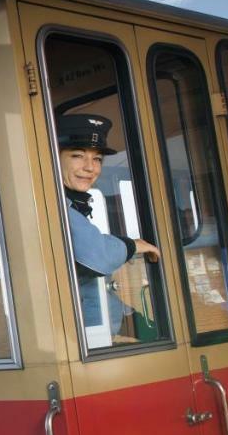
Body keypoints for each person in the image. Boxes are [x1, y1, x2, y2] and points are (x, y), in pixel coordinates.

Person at [57, 113, 161, 335]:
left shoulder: (75, 204)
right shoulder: (53, 205)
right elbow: (97, 258)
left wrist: (130, 316)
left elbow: (91, 290)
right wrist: (133, 245)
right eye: (78, 155)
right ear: (54, 158)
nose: (90, 168)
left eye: (97, 159)